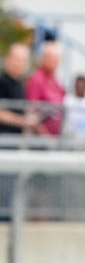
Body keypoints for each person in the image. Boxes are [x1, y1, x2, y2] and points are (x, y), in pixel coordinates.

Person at [0, 43, 37, 221]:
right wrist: (23, 120)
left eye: (24, 60)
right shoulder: (3, 82)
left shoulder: (19, 85)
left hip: (14, 143)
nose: (21, 64)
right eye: (18, 59)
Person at [25, 41, 65, 136]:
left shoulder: (56, 80)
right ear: (42, 58)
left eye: (56, 58)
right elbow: (32, 111)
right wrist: (45, 137)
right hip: (41, 140)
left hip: (55, 137)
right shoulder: (36, 78)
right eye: (49, 57)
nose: (53, 61)